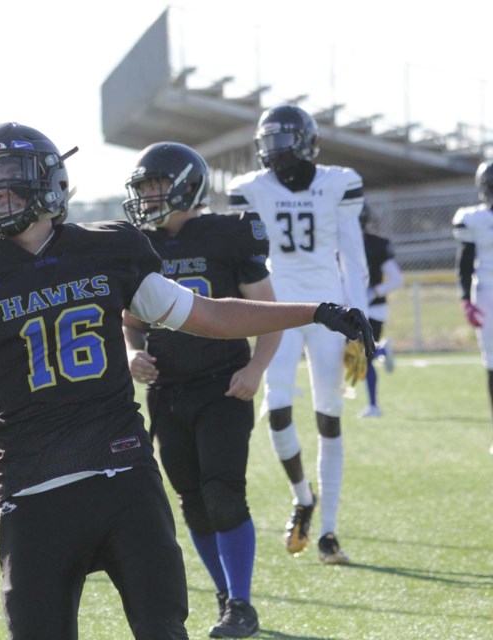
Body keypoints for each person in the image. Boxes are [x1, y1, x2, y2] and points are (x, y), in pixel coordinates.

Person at [0, 123, 373, 640]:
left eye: (11, 177)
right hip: (34, 497)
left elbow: (209, 314)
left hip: (125, 485)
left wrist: (313, 309)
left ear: (49, 179)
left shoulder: (106, 249)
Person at [121, 143, 279, 638]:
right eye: (143, 189)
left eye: (156, 186)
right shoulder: (137, 245)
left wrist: (257, 367)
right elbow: (129, 321)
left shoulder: (227, 234)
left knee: (223, 493)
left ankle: (242, 604)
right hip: (168, 390)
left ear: (188, 184)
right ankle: (225, 593)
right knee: (192, 498)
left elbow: (269, 312)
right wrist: (131, 354)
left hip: (222, 385)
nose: (147, 198)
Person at [227, 104, 369, 565]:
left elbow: (354, 255)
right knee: (278, 409)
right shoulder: (252, 188)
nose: (274, 148)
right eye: (268, 139)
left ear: (305, 141)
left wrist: (361, 319)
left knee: (329, 415)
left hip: (330, 309)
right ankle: (302, 496)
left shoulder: (338, 182)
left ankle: (329, 531)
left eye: (282, 138)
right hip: (278, 307)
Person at [453, 159, 493, 455]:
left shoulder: (474, 218)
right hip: (487, 294)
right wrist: (466, 299)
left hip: (485, 293)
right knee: (492, 365)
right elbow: (465, 262)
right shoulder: (474, 219)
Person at [358, 206, 404, 418]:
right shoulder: (373, 243)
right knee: (357, 355)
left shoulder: (374, 245)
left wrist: (373, 292)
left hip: (371, 308)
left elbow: (397, 279)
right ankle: (381, 351)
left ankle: (374, 405)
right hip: (371, 308)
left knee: (361, 357)